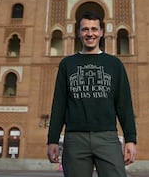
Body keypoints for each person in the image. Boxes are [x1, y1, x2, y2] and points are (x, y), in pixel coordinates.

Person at [47, 11, 137, 177]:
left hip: (107, 137)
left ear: (101, 32)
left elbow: (124, 104)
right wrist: (52, 139)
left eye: (94, 29)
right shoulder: (67, 64)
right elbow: (59, 105)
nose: (90, 34)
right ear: (78, 32)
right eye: (85, 29)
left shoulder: (114, 64)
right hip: (75, 139)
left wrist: (130, 139)